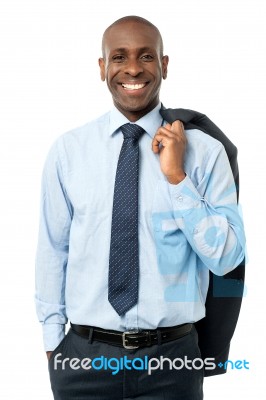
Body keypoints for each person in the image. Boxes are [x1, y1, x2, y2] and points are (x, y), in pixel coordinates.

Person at [35, 15, 245, 400]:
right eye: (119, 57)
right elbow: (54, 251)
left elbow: (227, 257)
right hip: (84, 360)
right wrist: (54, 346)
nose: (133, 68)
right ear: (103, 68)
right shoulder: (69, 152)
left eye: (146, 56)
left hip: (173, 361)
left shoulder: (205, 153)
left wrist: (178, 179)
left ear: (164, 65)